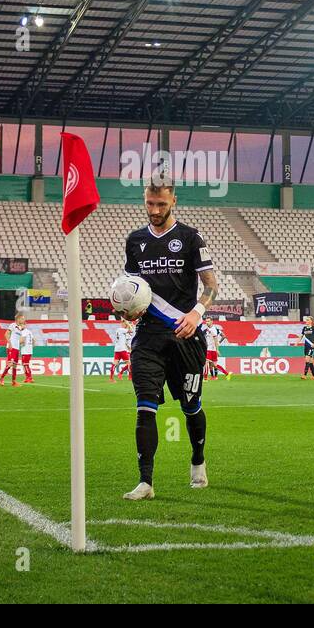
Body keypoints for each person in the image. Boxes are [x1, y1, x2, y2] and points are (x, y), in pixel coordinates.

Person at [120, 177, 215, 501]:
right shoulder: (135, 241)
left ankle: (198, 459)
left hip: (185, 335)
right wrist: (127, 310)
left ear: (173, 200)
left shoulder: (190, 238)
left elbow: (211, 285)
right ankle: (145, 482)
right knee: (145, 406)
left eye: (161, 204)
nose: (155, 210)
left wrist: (196, 314)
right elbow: (132, 288)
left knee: (191, 407)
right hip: (147, 338)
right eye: (150, 203)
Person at [0, 314, 23, 387]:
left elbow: (18, 339)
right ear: (18, 319)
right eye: (22, 318)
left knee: (15, 365)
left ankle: (13, 382)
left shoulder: (20, 328)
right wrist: (9, 343)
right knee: (11, 363)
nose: (23, 320)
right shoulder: (12, 325)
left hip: (16, 348)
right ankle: (1, 378)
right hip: (11, 347)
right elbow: (6, 334)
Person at [300, 315, 314, 379]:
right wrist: (297, 342)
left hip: (311, 346)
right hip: (306, 346)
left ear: (311, 321)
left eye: (308, 320)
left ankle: (304, 375)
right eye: (306, 320)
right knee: (310, 361)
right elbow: (301, 336)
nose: (306, 321)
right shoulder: (304, 328)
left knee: (307, 359)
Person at [17, 317, 35, 384]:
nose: (20, 326)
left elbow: (22, 340)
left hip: (25, 350)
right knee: (25, 364)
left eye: (21, 325)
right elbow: (34, 340)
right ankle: (28, 377)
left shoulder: (24, 332)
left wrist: (16, 343)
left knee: (25, 364)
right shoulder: (29, 331)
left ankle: (29, 378)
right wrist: (31, 346)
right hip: (29, 350)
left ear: (24, 325)